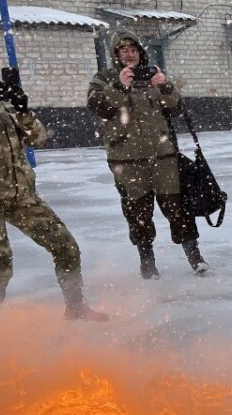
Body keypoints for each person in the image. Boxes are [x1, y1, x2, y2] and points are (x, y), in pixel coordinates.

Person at [0, 42, 107, 323]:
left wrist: (21, 106)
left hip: (20, 194)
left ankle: (76, 307)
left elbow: (37, 138)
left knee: (66, 247)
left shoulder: (0, 100)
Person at [87, 30, 209, 279]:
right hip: (127, 160)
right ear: (116, 55)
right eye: (123, 50)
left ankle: (195, 257)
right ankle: (147, 262)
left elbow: (176, 109)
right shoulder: (104, 78)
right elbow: (98, 107)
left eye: (133, 50)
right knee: (137, 212)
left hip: (162, 156)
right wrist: (119, 86)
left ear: (140, 52)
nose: (129, 54)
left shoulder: (152, 74)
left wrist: (163, 86)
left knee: (178, 208)